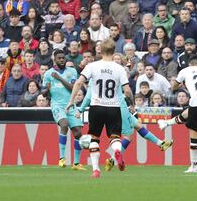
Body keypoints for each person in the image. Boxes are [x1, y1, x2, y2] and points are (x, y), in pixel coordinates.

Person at [65, 38, 134, 178]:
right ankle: (117, 151)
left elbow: (79, 83)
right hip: (113, 107)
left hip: (96, 107)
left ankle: (96, 170)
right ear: (114, 51)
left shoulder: (92, 66)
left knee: (94, 138)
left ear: (101, 50)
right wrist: (132, 102)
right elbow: (127, 91)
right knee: (115, 137)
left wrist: (71, 101)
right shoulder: (119, 68)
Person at [158, 55, 197, 173]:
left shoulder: (185, 70)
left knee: (194, 137)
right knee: (188, 113)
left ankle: (194, 166)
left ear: (190, 64)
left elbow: (173, 87)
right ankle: (166, 123)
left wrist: (179, 84)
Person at [42, 49, 85, 170]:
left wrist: (59, 78)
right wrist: (46, 90)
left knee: (78, 132)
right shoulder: (48, 73)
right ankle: (62, 158)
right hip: (57, 105)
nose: (61, 60)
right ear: (54, 60)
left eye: (63, 58)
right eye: (59, 58)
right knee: (64, 124)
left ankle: (76, 164)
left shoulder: (71, 71)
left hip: (70, 105)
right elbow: (43, 93)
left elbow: (73, 88)